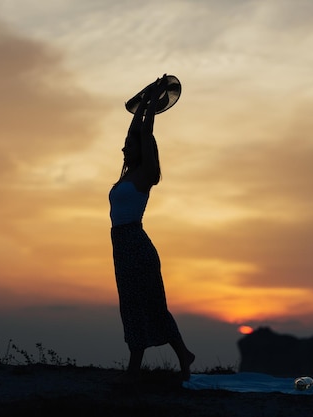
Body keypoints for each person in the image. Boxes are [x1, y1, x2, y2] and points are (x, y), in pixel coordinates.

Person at [109, 74, 195, 383]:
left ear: (141, 151)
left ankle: (171, 358)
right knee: (131, 305)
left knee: (149, 305)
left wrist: (153, 100)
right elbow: (135, 129)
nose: (123, 149)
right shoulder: (127, 173)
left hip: (135, 243)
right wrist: (143, 102)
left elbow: (144, 132)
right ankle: (174, 357)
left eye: (128, 147)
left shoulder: (145, 174)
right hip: (122, 246)